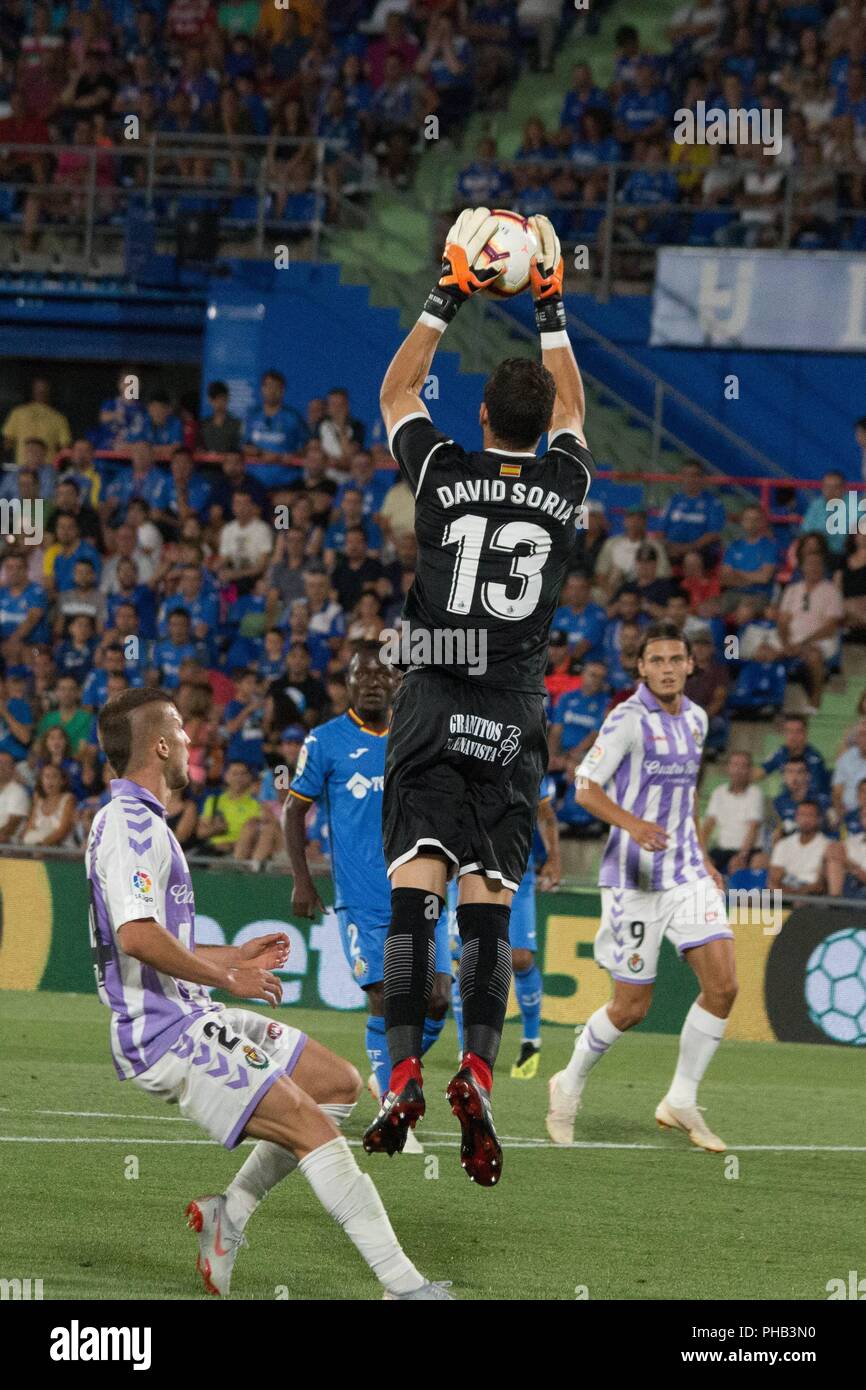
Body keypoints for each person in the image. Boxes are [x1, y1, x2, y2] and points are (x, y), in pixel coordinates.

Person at [363, 209, 594, 1185]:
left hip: (427, 690)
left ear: (481, 417)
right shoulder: (563, 479)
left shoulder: (442, 471)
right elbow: (576, 415)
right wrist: (548, 306)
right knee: (487, 914)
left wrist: (447, 293)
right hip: (509, 706)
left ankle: (405, 1067)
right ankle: (476, 1071)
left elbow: (395, 389)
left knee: (411, 908)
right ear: (538, 423)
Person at [85, 688, 451, 1300]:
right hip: (165, 1034)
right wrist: (229, 978)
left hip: (192, 1012)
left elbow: (163, 940)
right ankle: (404, 1287)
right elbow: (136, 936)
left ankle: (229, 1213)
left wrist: (232, 957)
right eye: (180, 730)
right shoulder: (128, 826)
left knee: (336, 1084)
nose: (190, 742)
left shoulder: (144, 823)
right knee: (315, 1130)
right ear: (158, 745)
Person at [547, 622, 737, 1154]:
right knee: (631, 1008)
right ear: (642, 668)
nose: (669, 668)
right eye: (657, 660)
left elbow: (687, 797)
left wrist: (701, 857)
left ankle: (680, 1099)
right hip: (634, 880)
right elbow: (584, 788)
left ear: (691, 664)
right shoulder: (628, 719)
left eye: (677, 658)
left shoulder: (697, 720)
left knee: (723, 987)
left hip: (686, 875)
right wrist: (633, 825)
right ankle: (569, 1082)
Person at [284, 644, 452, 1151]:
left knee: (439, 999)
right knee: (385, 997)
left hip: (422, 887)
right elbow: (295, 812)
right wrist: (302, 879)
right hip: (363, 899)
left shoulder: (416, 734)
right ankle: (396, 1098)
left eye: (384, 673)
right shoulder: (325, 741)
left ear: (398, 682)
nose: (374, 681)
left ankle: (394, 1076)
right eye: (363, 674)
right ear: (348, 683)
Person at [702, 750, 764, 874]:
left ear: (750, 770)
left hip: (749, 850)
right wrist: (702, 853)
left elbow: (753, 828)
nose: (738, 770)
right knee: (700, 867)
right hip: (722, 850)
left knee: (751, 865)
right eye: (735, 765)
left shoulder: (755, 793)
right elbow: (708, 826)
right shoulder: (718, 792)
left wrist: (742, 856)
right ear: (728, 768)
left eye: (743, 766)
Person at [768, 801, 830, 895]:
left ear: (819, 819)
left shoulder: (828, 846)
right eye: (802, 815)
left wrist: (800, 894)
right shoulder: (783, 844)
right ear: (796, 818)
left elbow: (821, 885)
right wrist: (790, 895)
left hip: (813, 897)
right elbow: (773, 881)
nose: (805, 819)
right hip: (784, 894)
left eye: (810, 815)